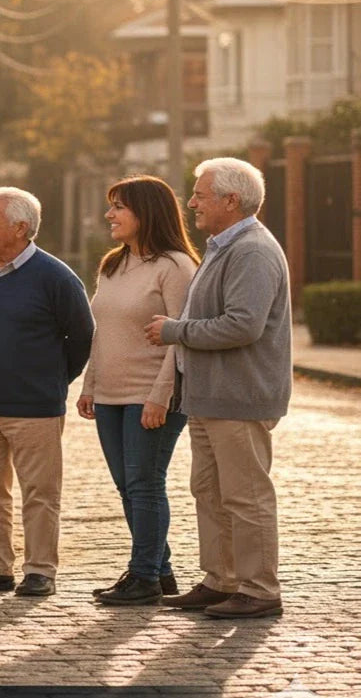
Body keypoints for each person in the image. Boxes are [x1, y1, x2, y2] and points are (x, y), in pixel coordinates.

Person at [145, 157, 291, 620]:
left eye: (200, 194)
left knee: (246, 495)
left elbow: (243, 326)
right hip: (209, 396)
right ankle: (220, 579)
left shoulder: (251, 250)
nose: (190, 203)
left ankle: (260, 588)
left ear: (232, 200)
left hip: (240, 396)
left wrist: (176, 330)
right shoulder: (222, 246)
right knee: (209, 491)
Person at [0, 186, 93, 598]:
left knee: (40, 493)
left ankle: (40, 570)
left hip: (34, 408)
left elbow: (81, 336)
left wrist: (50, 381)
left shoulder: (56, 277)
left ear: (21, 227)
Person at [77, 175, 198, 605]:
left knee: (145, 483)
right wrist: (90, 384)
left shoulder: (176, 266)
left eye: (119, 207)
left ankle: (144, 576)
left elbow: (180, 336)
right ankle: (160, 573)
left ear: (146, 212)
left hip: (153, 394)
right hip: (110, 395)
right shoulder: (113, 263)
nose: (109, 215)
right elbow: (101, 331)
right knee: (128, 486)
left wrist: (160, 396)